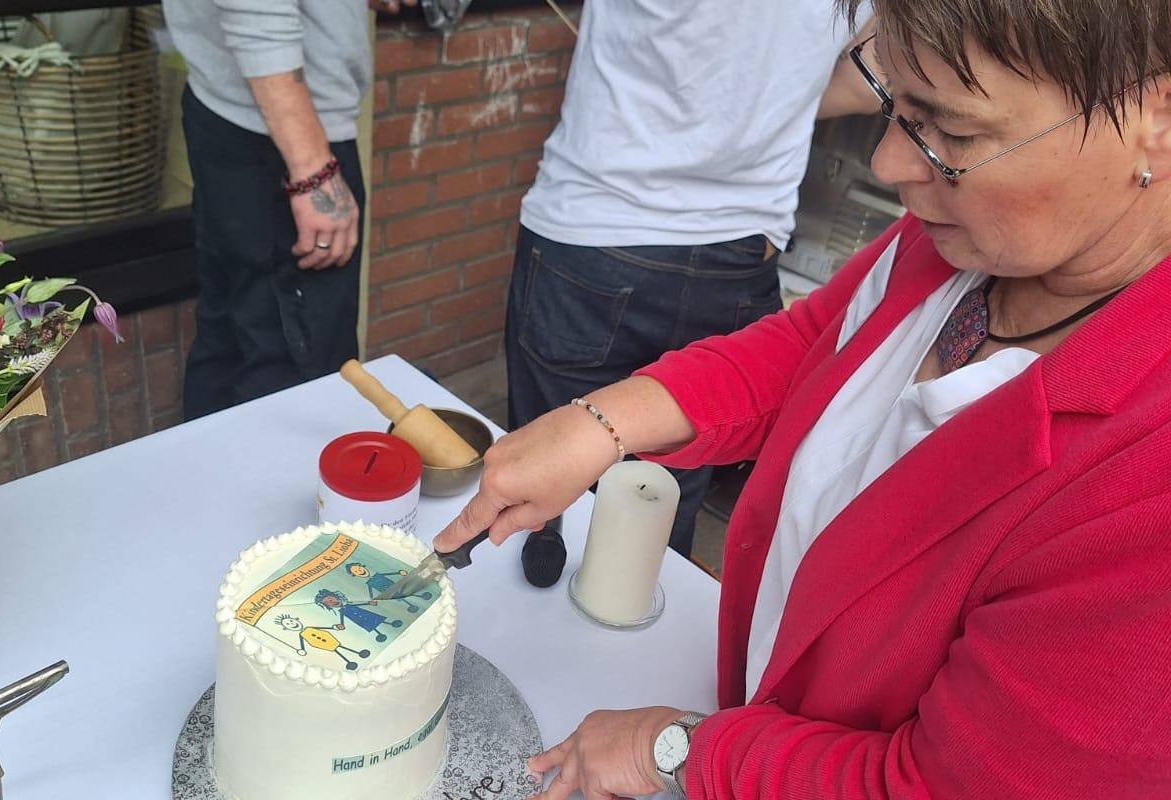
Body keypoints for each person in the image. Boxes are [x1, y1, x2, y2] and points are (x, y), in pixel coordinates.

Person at [436, 2, 1171, 797]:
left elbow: (943, 784)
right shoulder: (966, 246)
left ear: (1157, 119)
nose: (890, 161)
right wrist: (601, 424)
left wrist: (679, 749)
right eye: (893, 103)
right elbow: (817, 349)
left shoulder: (1145, 484)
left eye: (953, 133)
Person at [506, 0, 874, 556]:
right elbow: (877, 76)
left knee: (541, 488)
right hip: (738, 253)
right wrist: (777, 106)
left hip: (595, 233)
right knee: (659, 504)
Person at [163, 0, 370, 420]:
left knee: (229, 338)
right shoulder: (305, 163)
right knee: (297, 372)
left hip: (231, 113)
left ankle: (211, 463)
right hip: (285, 136)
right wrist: (312, 171)